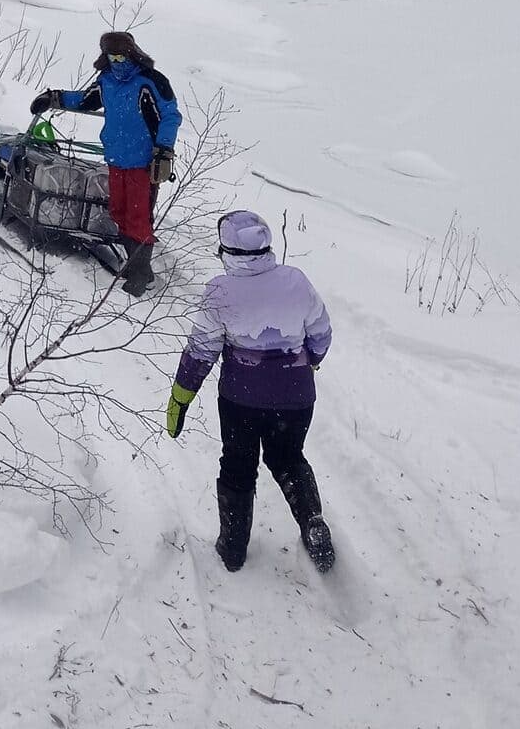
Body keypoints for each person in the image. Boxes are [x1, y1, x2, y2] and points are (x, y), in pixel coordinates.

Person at [166, 210, 335, 576]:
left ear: (225, 250)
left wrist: (181, 395)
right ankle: (313, 522)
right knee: (289, 457)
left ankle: (233, 548)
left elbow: (201, 351)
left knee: (239, 465)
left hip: (241, 398)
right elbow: (321, 333)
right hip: (296, 395)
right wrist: (311, 361)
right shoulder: (296, 280)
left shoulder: (220, 291)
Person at [31, 29, 180, 295]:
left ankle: (143, 274)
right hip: (116, 157)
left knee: (138, 216)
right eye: (112, 57)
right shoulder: (106, 80)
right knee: (119, 212)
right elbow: (86, 100)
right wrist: (53, 97)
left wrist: (164, 150)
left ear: (132, 54)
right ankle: (134, 264)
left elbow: (170, 115)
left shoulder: (151, 81)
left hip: (143, 162)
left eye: (122, 57)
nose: (118, 63)